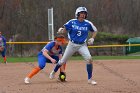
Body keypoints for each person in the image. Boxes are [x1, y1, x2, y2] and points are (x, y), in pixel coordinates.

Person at [49, 7, 98, 85]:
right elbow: (65, 30)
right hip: (72, 44)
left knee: (89, 59)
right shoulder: (72, 22)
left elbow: (95, 30)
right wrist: (61, 30)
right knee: (62, 61)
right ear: (77, 14)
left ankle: (90, 79)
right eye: (81, 13)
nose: (83, 15)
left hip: (82, 45)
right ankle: (53, 72)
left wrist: (92, 38)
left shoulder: (88, 23)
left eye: (84, 13)